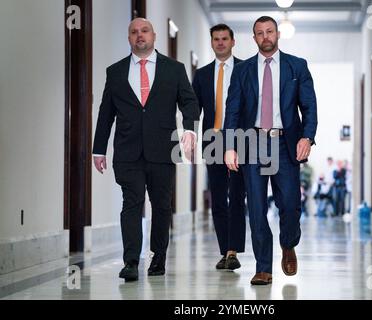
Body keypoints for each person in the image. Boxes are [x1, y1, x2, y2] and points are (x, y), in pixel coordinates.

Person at [92, 18, 199, 282]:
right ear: (128, 38)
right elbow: (106, 113)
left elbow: (189, 101)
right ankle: (130, 262)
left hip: (163, 150)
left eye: (144, 31)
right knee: (131, 203)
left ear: (154, 35)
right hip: (127, 152)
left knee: (161, 205)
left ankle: (158, 257)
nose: (140, 36)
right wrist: (98, 149)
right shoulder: (115, 72)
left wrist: (189, 129)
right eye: (134, 32)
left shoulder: (174, 69)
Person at [224, 16, 318, 285]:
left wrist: (307, 138)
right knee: (255, 207)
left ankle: (288, 244)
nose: (265, 36)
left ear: (277, 34)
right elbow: (232, 111)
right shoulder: (242, 71)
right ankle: (263, 266)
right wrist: (230, 146)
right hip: (252, 142)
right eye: (259, 33)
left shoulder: (296, 67)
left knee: (289, 204)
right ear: (253, 38)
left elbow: (309, 107)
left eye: (269, 32)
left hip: (285, 143)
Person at [192, 24, 246, 271]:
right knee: (218, 198)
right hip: (212, 140)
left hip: (240, 139)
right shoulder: (202, 74)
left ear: (233, 41)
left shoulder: (247, 69)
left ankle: (234, 250)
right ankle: (225, 250)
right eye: (216, 39)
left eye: (225, 38)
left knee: (236, 195)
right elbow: (194, 109)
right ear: (212, 42)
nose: (221, 43)